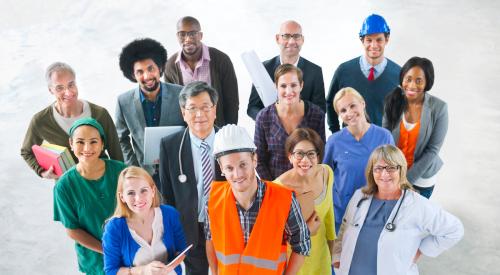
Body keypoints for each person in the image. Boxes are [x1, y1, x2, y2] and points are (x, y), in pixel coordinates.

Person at [333, 145, 463, 275]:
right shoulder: (360, 196)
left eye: (391, 167)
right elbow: (344, 227)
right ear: (371, 172)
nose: (384, 174)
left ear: (401, 169)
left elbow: (454, 229)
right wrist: (337, 257)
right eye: (378, 168)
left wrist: (422, 250)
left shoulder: (416, 204)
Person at [205, 124, 311, 275]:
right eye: (229, 168)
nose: (237, 174)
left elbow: (302, 244)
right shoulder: (213, 199)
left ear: (254, 160)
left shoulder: (283, 198)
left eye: (243, 164)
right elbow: (210, 239)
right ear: (221, 168)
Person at [159, 81, 224, 275]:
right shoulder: (170, 146)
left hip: (226, 224)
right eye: (192, 108)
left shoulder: (229, 139)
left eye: (205, 107)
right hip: (190, 226)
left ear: (214, 110)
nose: (199, 114)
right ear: (183, 112)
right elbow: (167, 195)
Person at [21, 62, 123, 179]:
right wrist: (42, 172)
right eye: (59, 88)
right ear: (50, 90)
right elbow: (26, 152)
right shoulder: (41, 121)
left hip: (103, 184)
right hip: (68, 188)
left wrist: (121, 183)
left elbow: (117, 155)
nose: (68, 92)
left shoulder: (100, 114)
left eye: (71, 84)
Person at [53, 118, 127, 274]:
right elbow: (72, 230)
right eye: (80, 142)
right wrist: (108, 251)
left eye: (93, 141)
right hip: (95, 261)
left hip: (129, 251)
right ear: (71, 144)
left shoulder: (122, 171)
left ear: (102, 144)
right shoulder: (64, 186)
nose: (87, 148)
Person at [323, 87, 394, 232]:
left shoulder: (384, 136)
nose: (349, 113)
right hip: (341, 212)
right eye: (343, 111)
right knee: (339, 253)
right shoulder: (334, 142)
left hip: (374, 211)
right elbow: (324, 178)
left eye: (352, 105)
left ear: (363, 104)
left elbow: (394, 174)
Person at [116, 38, 185, 179]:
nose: (147, 76)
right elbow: (121, 139)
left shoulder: (181, 94)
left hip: (179, 168)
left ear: (159, 68)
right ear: (133, 75)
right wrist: (133, 167)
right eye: (140, 72)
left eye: (150, 69)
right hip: (145, 173)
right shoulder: (123, 102)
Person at [103, 166, 188, 275]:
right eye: (131, 193)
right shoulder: (114, 228)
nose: (138, 198)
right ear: (122, 197)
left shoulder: (170, 214)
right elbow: (111, 271)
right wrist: (143, 270)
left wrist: (167, 269)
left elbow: (182, 250)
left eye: (143, 190)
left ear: (153, 191)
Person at [383, 57, 447, 199]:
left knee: (413, 219)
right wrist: (392, 173)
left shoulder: (439, 108)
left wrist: (405, 180)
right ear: (402, 79)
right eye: (408, 79)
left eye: (419, 80)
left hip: (421, 179)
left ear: (427, 82)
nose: (412, 85)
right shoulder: (392, 100)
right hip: (394, 174)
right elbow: (385, 138)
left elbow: (432, 150)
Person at [326, 14, 400, 133]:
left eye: (379, 39)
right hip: (350, 143)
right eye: (369, 40)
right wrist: (336, 133)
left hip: (383, 146)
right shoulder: (344, 71)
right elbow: (330, 103)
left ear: (387, 39)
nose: (374, 45)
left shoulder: (398, 75)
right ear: (362, 40)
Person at [275, 128, 335, 275]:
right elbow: (274, 237)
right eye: (299, 154)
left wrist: (334, 253)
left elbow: (329, 216)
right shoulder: (277, 188)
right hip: (294, 265)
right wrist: (306, 231)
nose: (305, 160)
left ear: (318, 156)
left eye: (311, 154)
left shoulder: (326, 173)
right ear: (290, 156)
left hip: (322, 260)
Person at [255, 64, 325, 181]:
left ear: (301, 86)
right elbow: (259, 159)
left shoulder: (316, 115)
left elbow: (321, 154)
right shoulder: (263, 117)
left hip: (308, 184)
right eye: (283, 86)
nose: (289, 91)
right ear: (276, 87)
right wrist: (274, 186)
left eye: (293, 85)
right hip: (275, 186)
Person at [165, 16, 239, 126]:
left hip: (217, 129)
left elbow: (232, 101)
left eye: (192, 33)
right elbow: (172, 107)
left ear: (200, 35)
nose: (187, 39)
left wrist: (228, 132)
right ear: (177, 36)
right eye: (182, 34)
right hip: (188, 132)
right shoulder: (170, 66)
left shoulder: (221, 60)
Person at [247, 20, 326, 119]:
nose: (292, 41)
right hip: (270, 132)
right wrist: (270, 120)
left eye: (297, 36)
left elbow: (320, 109)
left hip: (303, 132)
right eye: (286, 36)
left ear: (302, 40)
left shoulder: (315, 71)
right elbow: (252, 107)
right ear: (277, 39)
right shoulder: (263, 69)